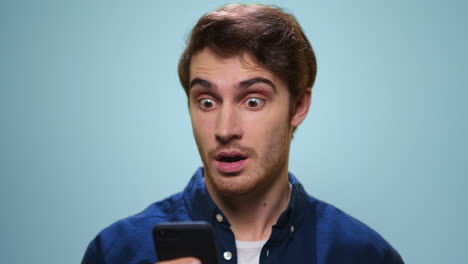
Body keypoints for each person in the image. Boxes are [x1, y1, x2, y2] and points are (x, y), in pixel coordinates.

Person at [82, 3, 404, 264]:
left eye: (252, 101)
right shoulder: (116, 252)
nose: (224, 130)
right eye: (206, 102)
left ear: (298, 106)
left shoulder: (365, 255)